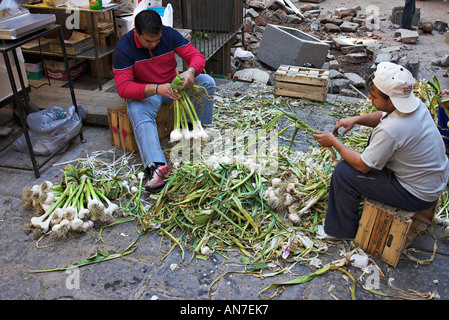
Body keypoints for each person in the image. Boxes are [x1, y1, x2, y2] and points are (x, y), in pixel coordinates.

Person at [312, 62, 449, 240]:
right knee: (371, 145)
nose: (369, 97)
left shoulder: (392, 129)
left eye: (374, 96)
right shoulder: (413, 105)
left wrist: (334, 142)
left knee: (344, 173)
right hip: (432, 181)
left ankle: (340, 231)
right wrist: (356, 119)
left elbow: (362, 166)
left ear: (391, 100)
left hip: (418, 194)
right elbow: (384, 116)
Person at [113, 9, 216, 192]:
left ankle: (196, 130)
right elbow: (123, 87)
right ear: (136, 32)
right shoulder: (124, 47)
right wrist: (156, 88)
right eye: (148, 41)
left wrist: (190, 72)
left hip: (173, 85)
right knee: (137, 110)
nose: (153, 44)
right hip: (147, 92)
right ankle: (157, 166)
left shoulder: (169, 35)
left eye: (157, 40)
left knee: (207, 82)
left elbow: (197, 57)